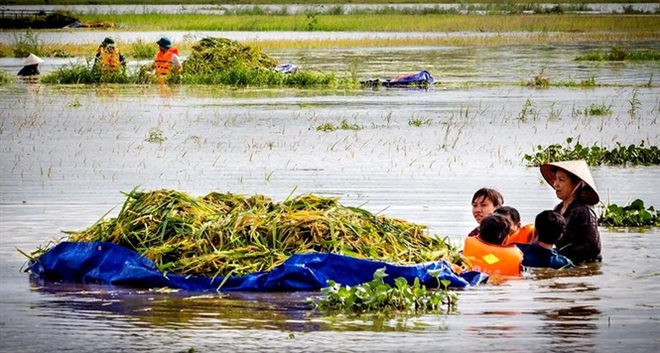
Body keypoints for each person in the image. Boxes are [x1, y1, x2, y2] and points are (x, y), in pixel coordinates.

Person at [540, 160, 602, 264]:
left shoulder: (584, 212)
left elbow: (594, 247)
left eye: (561, 180)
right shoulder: (557, 210)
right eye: (555, 179)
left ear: (576, 184)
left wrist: (561, 253)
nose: (556, 184)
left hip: (584, 266)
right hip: (565, 262)